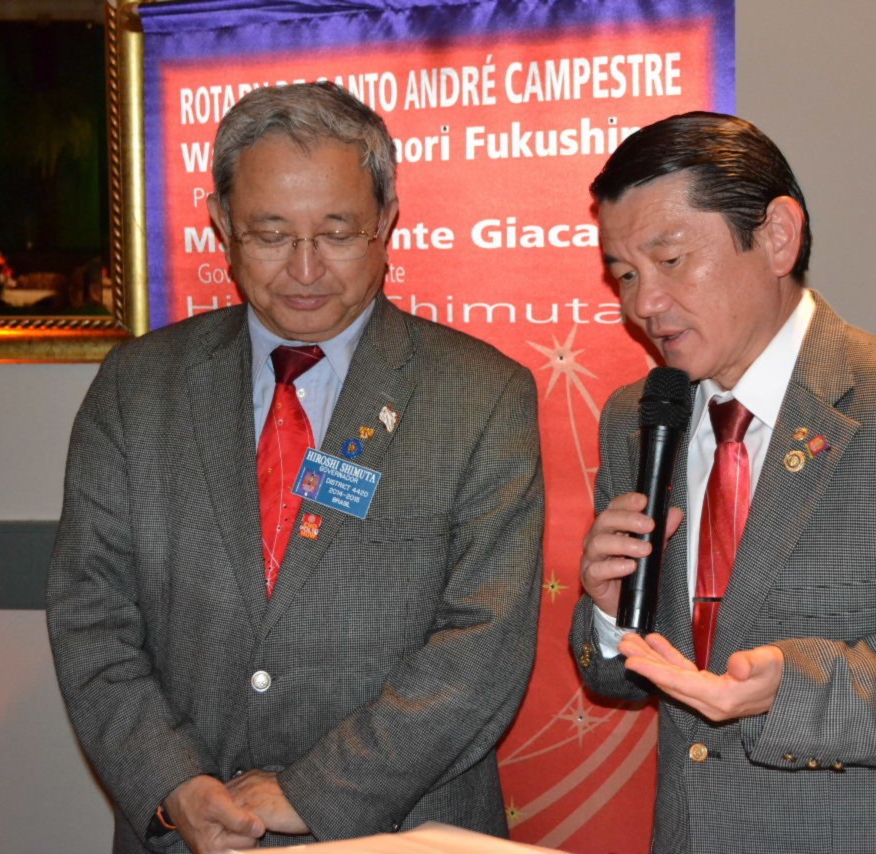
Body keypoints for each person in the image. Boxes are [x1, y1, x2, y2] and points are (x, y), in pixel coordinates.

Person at [47, 82, 545, 854]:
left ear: (386, 220)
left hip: (402, 832)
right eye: (270, 235)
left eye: (337, 234)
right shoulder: (136, 388)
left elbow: (483, 646)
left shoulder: (481, 395)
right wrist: (172, 783)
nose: (305, 270)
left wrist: (318, 791)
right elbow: (91, 613)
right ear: (222, 223)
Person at [571, 112, 876, 854]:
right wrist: (613, 612)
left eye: (671, 260)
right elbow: (622, 679)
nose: (643, 304)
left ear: (778, 236)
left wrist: (799, 691)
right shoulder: (639, 417)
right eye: (624, 274)